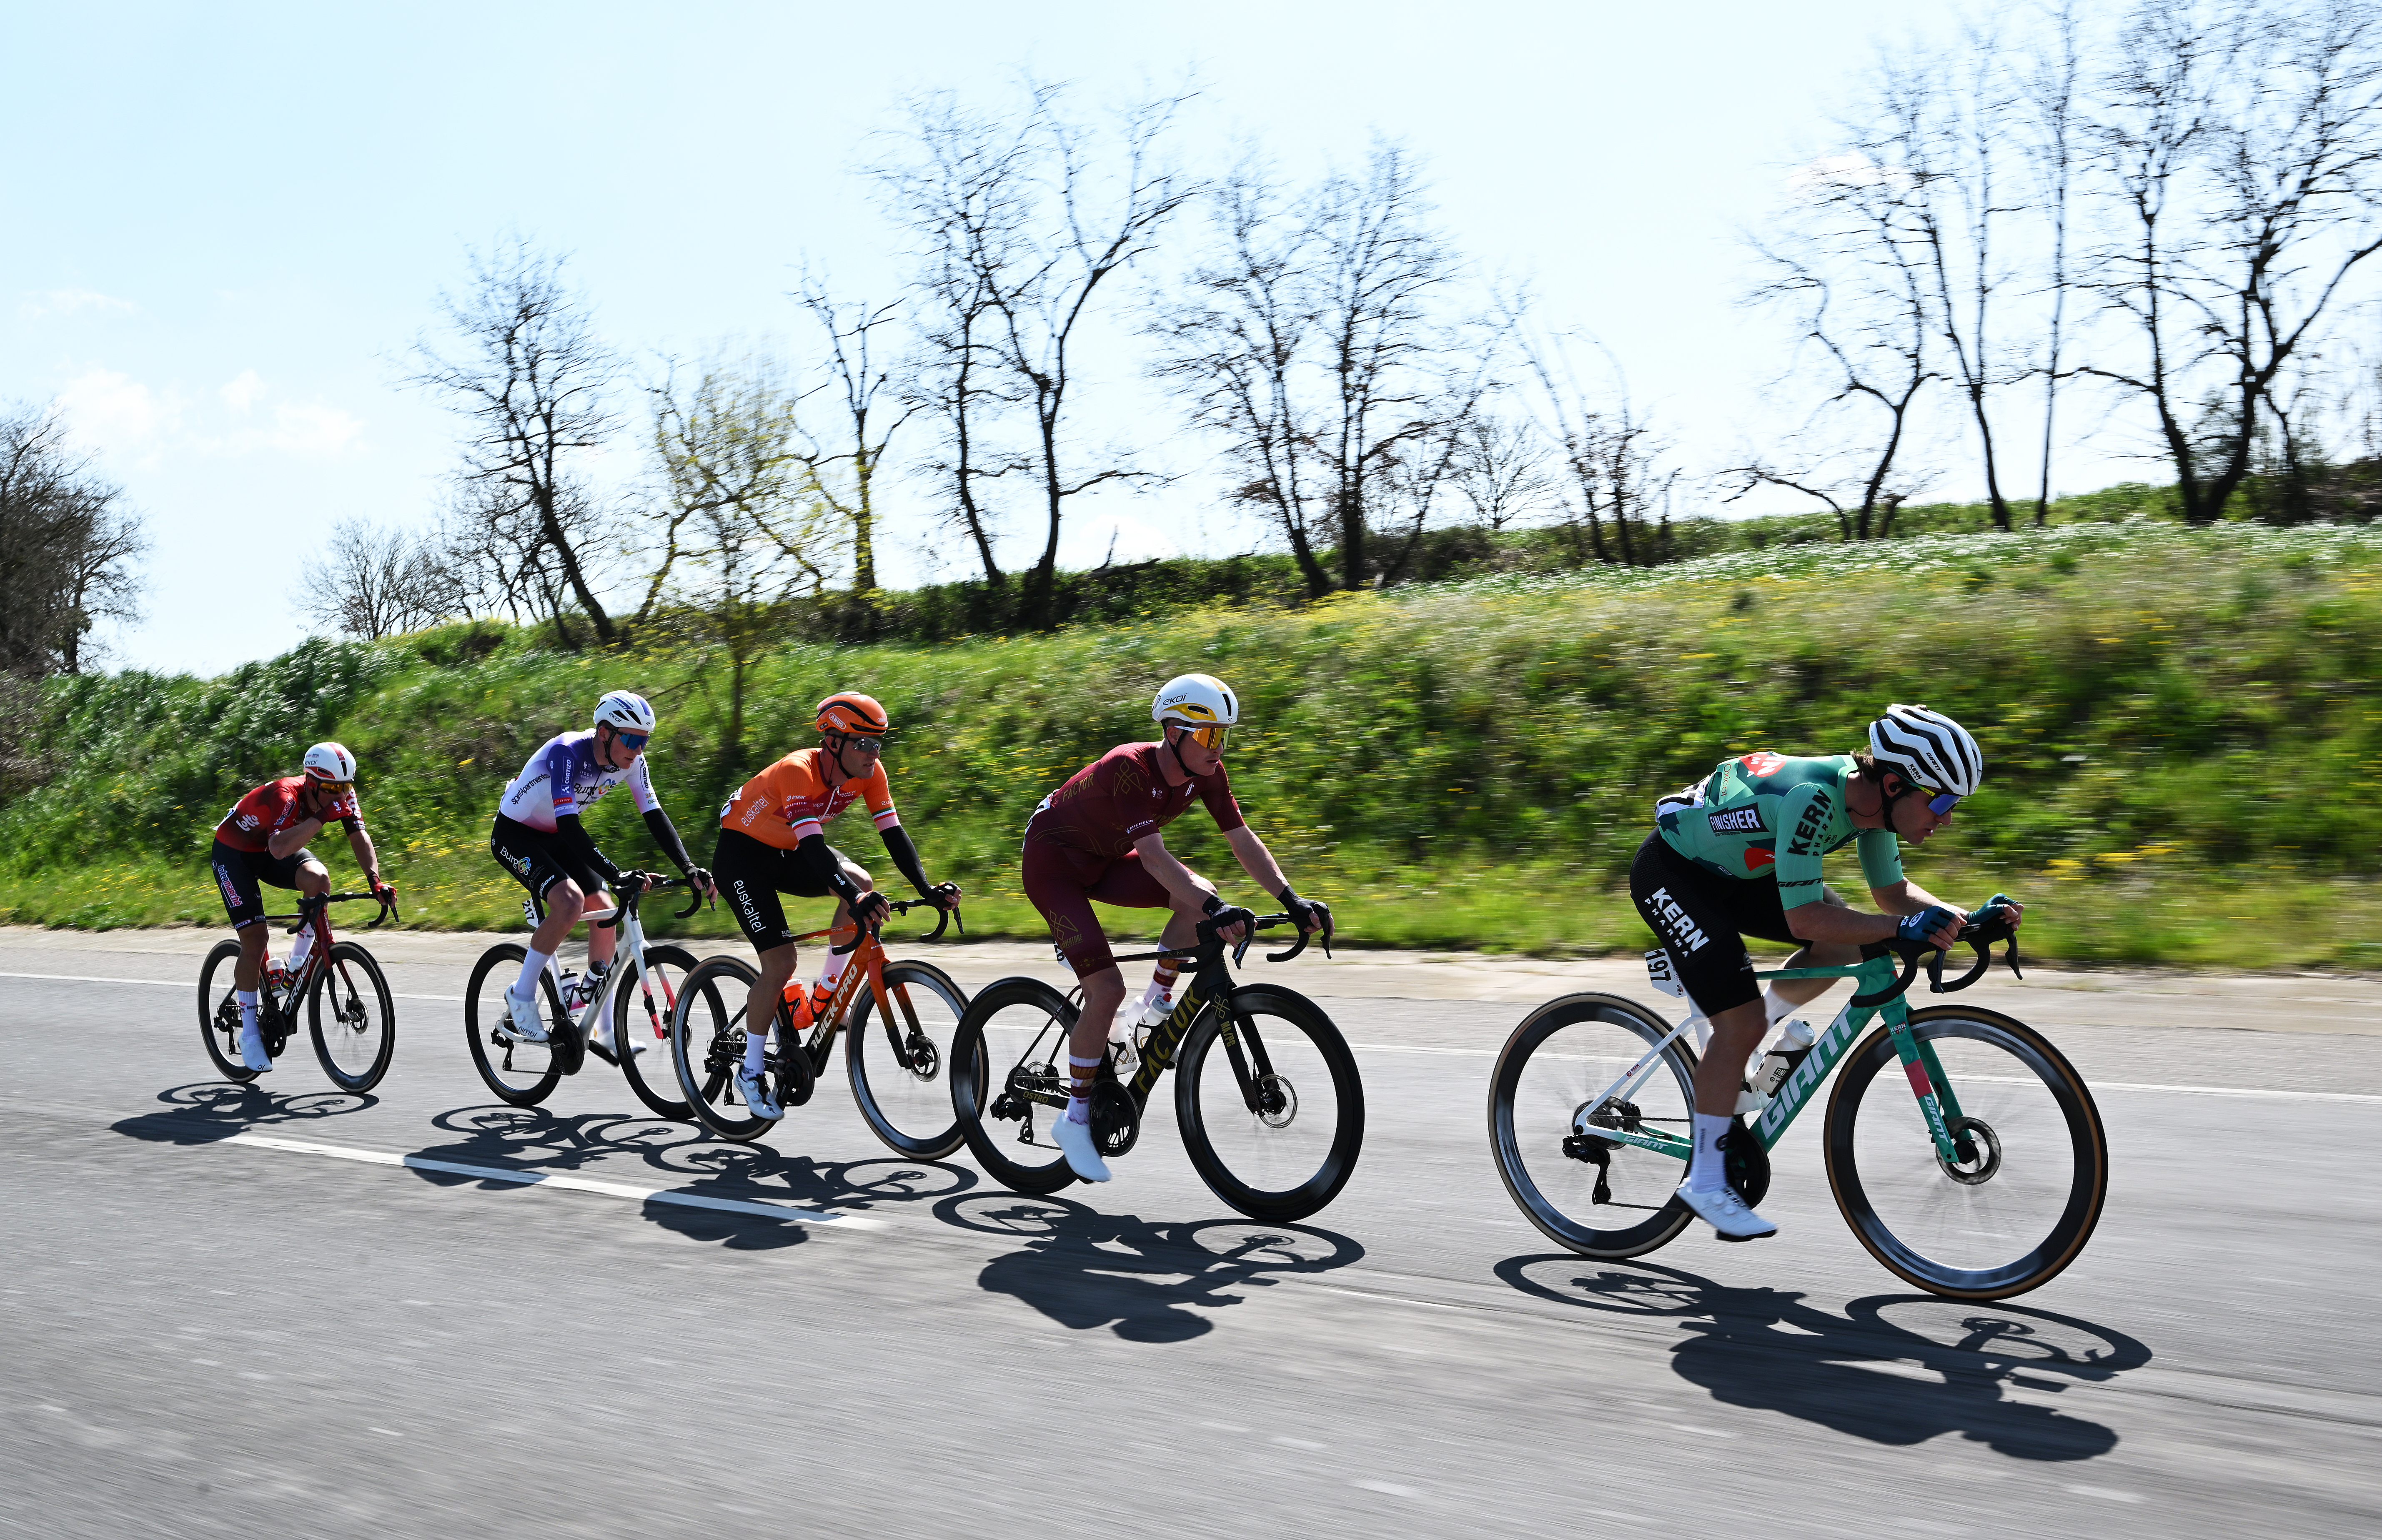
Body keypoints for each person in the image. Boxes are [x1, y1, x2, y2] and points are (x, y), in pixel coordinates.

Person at [1631, 702, 2021, 1241]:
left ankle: (1740, 1052)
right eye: (1942, 801)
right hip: (1674, 872)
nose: (1948, 817)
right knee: (1740, 1019)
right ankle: (1704, 1179)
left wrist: (1964, 918)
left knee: (1836, 947)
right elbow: (1805, 917)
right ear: (1894, 784)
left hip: (1740, 872)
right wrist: (1901, 927)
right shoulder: (1813, 798)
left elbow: (1892, 894)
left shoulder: (1873, 807)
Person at [1021, 672, 1332, 1183]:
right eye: (1209, 735)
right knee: (1106, 988)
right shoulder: (1129, 768)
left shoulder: (1207, 772)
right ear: (1174, 732)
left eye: (1223, 735)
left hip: (1102, 860)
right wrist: (1218, 907)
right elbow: (1153, 857)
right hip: (1052, 864)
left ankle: (1153, 1010)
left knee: (1199, 897)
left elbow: (1241, 838)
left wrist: (1290, 898)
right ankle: (1074, 1119)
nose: (1218, 747)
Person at [713, 691, 960, 1119]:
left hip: (788, 851)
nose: (873, 753)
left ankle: (825, 994)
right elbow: (814, 846)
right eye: (863, 743)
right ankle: (750, 1072)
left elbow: (893, 833)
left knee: (860, 882)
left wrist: (926, 886)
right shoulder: (798, 771)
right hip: (743, 857)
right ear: (833, 742)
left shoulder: (869, 773)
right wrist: (855, 899)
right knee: (781, 961)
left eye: (877, 743)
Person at [488, 691, 713, 1054]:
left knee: (606, 910)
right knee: (569, 903)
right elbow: (571, 826)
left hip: (556, 834)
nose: (638, 750)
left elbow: (654, 814)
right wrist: (615, 872)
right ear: (605, 733)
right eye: (632, 740)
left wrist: (688, 867)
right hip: (516, 834)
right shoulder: (567, 753)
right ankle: (522, 995)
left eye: (644, 741)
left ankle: (605, 1031)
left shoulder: (631, 762)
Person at [211, 742, 394, 1073]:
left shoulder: (340, 792)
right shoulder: (286, 795)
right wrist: (323, 817)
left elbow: (359, 835)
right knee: (256, 940)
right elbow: (279, 848)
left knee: (319, 880)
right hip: (234, 854)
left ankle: (295, 966)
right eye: (332, 789)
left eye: (346, 787)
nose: (341, 795)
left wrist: (375, 881)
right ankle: (250, 1035)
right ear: (311, 782)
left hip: (270, 848)